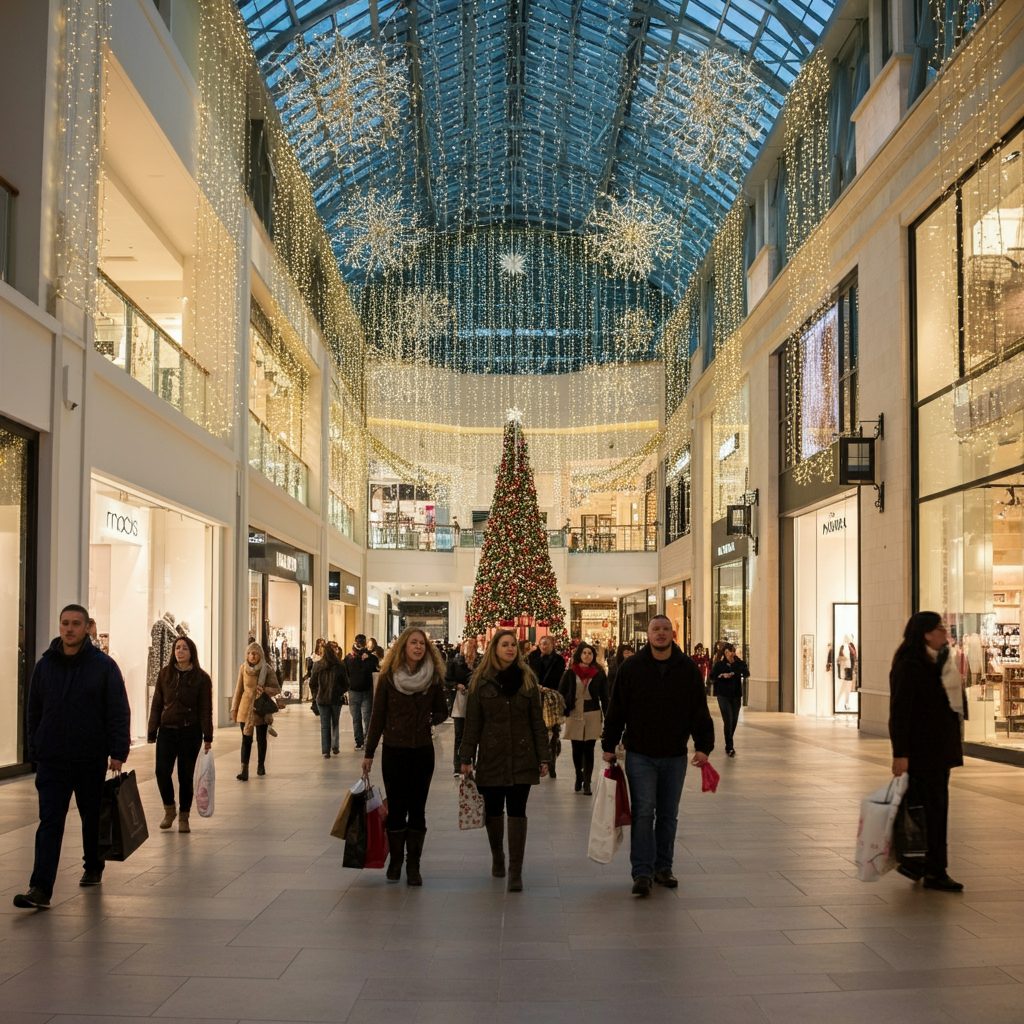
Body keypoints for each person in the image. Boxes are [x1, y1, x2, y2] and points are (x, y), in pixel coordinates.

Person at [14, 604, 131, 909]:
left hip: (89, 757)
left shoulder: (103, 666)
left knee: (91, 816)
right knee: (49, 822)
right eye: (65, 623)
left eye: (75, 624)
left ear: (86, 627)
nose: (69, 629)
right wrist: (35, 747)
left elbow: (117, 710)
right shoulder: (45, 665)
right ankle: (40, 888)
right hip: (53, 759)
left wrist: (118, 752)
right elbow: (34, 710)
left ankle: (93, 864)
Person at [601, 614, 714, 897]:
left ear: (672, 634)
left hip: (675, 754)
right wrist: (608, 744)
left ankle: (663, 867)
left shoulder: (686, 668)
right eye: (655, 629)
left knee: (667, 815)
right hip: (640, 753)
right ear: (648, 634)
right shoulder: (632, 667)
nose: (660, 634)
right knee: (643, 812)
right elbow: (617, 708)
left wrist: (704, 746)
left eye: (665, 629)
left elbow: (698, 710)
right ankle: (642, 871)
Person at [460, 629, 550, 892]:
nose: (510, 649)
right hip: (492, 756)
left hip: (523, 756)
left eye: (513, 645)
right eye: (505, 645)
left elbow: (537, 722)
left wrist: (544, 756)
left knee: (518, 811)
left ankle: (515, 871)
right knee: (494, 809)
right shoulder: (481, 681)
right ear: (494, 649)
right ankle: (498, 855)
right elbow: (473, 723)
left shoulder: (528, 681)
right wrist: (466, 757)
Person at [362, 628, 448, 885]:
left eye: (422, 643)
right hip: (394, 751)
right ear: (404, 646)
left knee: (418, 809)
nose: (419, 647)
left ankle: (413, 865)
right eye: (414, 642)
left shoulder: (433, 677)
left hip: (422, 752)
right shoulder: (389, 677)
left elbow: (442, 711)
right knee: (397, 808)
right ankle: (396, 861)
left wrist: (428, 720)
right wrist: (369, 753)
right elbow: (377, 717)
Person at [890, 612, 965, 892]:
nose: (945, 633)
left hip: (939, 750)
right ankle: (933, 870)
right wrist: (900, 753)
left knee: (932, 809)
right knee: (929, 810)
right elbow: (900, 712)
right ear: (926, 633)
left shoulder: (942, 661)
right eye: (940, 628)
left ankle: (921, 864)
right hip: (922, 752)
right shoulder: (910, 664)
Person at [149, 635, 213, 833]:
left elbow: (205, 709)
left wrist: (207, 735)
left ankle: (184, 815)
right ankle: (169, 809)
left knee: (185, 776)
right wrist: (152, 730)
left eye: (184, 648)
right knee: (161, 772)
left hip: (190, 732)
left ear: (191, 651)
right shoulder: (165, 674)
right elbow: (157, 704)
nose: (180, 651)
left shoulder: (201, 678)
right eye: (177, 648)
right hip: (167, 731)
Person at [558, 642, 609, 795]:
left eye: (590, 653)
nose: (587, 656)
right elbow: (561, 691)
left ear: (593, 656)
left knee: (589, 748)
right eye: (584, 653)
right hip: (574, 713)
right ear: (579, 655)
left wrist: (608, 716)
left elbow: (604, 697)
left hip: (592, 712)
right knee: (577, 748)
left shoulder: (598, 673)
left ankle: (587, 781)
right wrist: (564, 706)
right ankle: (578, 775)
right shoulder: (570, 673)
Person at [230, 642, 280, 781]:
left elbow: (277, 688)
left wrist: (264, 690)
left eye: (255, 653)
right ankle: (244, 770)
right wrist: (234, 708)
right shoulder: (243, 668)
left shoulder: (267, 669)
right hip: (245, 709)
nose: (252, 656)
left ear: (260, 655)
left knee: (261, 739)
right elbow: (238, 690)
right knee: (246, 739)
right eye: (249, 653)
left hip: (260, 708)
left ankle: (260, 766)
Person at [527, 636, 566, 776]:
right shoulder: (532, 657)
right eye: (542, 644)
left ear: (552, 645)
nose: (544, 646)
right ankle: (539, 761)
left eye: (547, 644)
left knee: (554, 732)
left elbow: (559, 677)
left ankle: (552, 764)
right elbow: (529, 675)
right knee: (537, 729)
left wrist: (548, 689)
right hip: (536, 696)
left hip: (552, 697)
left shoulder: (559, 660)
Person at [446, 638, 479, 776]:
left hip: (474, 702)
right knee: (459, 734)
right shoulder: (455, 662)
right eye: (466, 646)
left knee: (474, 734)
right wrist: (456, 685)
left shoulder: (479, 663)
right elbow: (447, 679)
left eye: (472, 647)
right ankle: (457, 765)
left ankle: (473, 763)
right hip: (459, 701)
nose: (469, 649)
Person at [710, 644, 748, 758]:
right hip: (723, 695)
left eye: (732, 652)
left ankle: (729, 740)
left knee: (734, 721)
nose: (730, 654)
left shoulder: (739, 663)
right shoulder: (719, 664)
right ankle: (729, 746)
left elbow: (746, 673)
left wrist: (736, 670)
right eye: (727, 652)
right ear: (724, 653)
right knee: (728, 720)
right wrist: (722, 675)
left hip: (736, 695)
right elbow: (712, 677)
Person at [310, 641, 347, 758]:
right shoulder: (340, 665)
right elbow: (346, 684)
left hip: (322, 699)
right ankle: (335, 746)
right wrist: (339, 691)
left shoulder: (317, 665)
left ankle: (326, 750)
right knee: (335, 722)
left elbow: (312, 683)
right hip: (336, 699)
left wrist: (316, 695)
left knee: (324, 724)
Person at [345, 634, 378, 750]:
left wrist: (367, 657)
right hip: (360, 691)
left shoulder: (350, 658)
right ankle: (363, 740)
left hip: (359, 691)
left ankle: (361, 741)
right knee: (362, 717)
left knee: (361, 718)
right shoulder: (351, 658)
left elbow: (374, 666)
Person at [303, 637, 326, 703]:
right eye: (320, 644)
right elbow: (311, 666)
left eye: (323, 644)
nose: (321, 646)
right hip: (315, 674)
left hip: (323, 674)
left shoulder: (326, 655)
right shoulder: (314, 654)